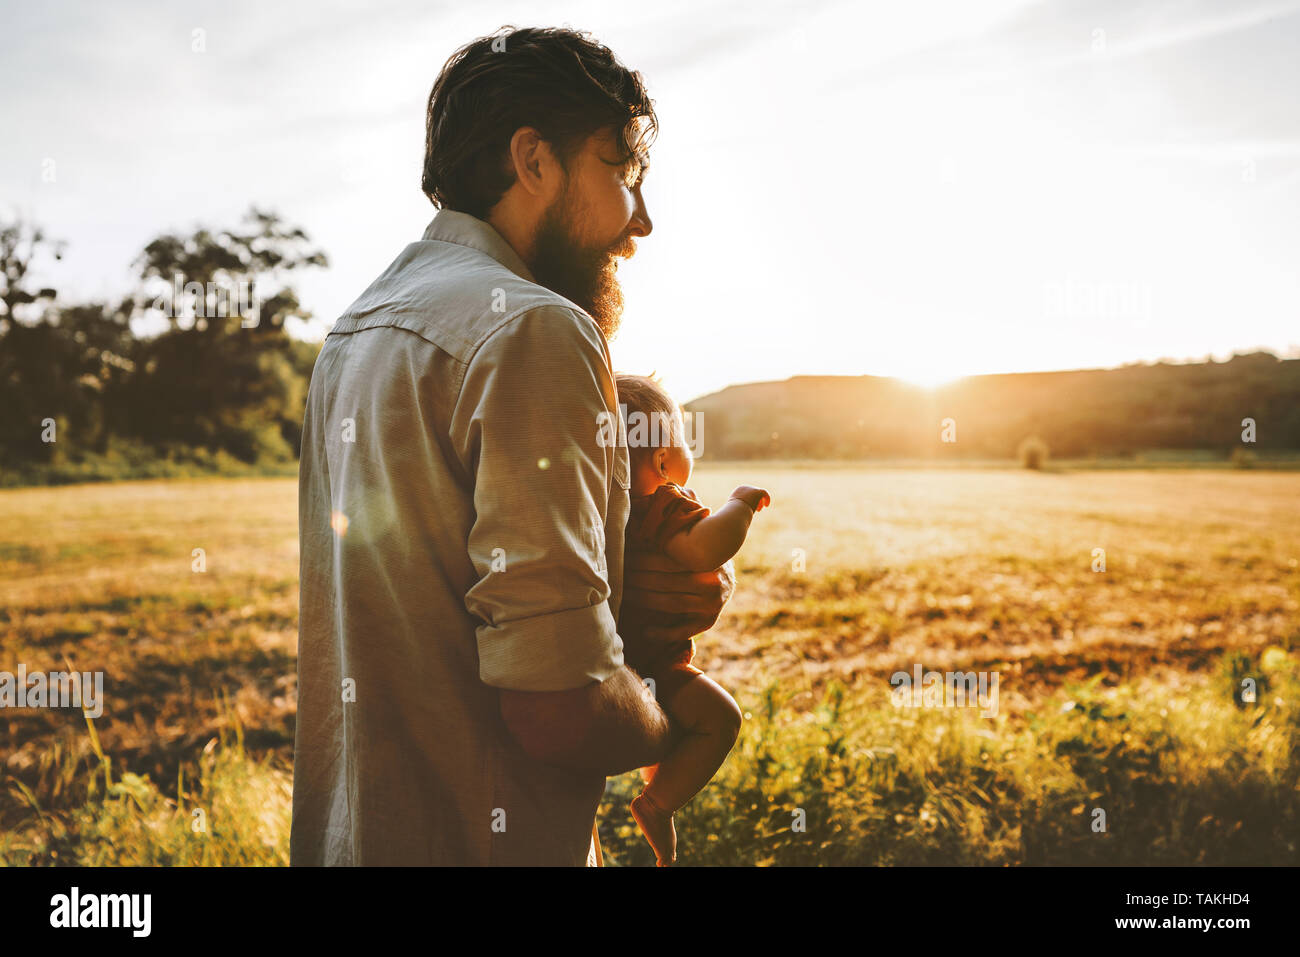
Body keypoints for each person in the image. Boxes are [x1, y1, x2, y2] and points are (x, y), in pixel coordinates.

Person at [290, 25, 735, 866]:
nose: (640, 221)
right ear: (533, 161)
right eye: (622, 173)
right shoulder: (536, 329)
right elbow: (558, 708)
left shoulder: (352, 331)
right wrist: (671, 706)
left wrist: (621, 591)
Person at [615, 373, 770, 865]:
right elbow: (706, 549)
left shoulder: (602, 508)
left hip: (612, 660)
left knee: (665, 738)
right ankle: (657, 806)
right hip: (657, 664)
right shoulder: (664, 504)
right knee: (721, 720)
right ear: (663, 459)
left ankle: (656, 802)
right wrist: (740, 502)